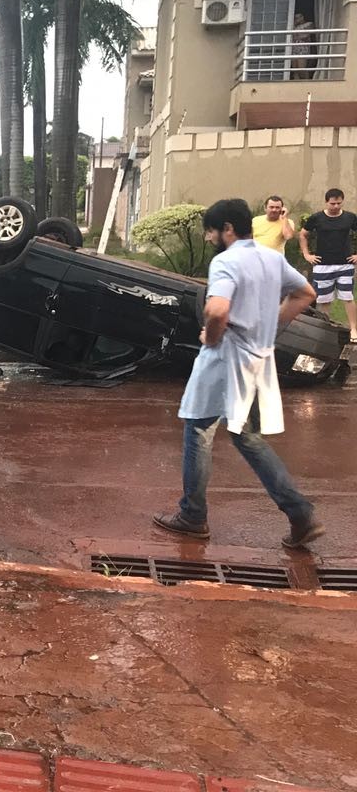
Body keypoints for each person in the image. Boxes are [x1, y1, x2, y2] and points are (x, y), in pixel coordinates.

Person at [153, 199, 324, 549]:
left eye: (212, 231)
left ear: (227, 229)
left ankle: (193, 515)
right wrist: (270, 323)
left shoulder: (226, 261)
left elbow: (217, 310)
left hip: (224, 358)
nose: (208, 238)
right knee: (247, 437)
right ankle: (300, 514)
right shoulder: (272, 258)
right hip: (258, 361)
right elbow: (306, 293)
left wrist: (210, 336)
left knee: (198, 430)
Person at [299, 188, 357, 342]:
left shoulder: (350, 218)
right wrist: (306, 254)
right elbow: (303, 234)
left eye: (339, 203)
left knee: (348, 298)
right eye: (333, 203)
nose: (336, 206)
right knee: (324, 300)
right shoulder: (316, 218)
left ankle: (354, 330)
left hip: (345, 264)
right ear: (326, 202)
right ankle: (326, 331)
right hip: (322, 265)